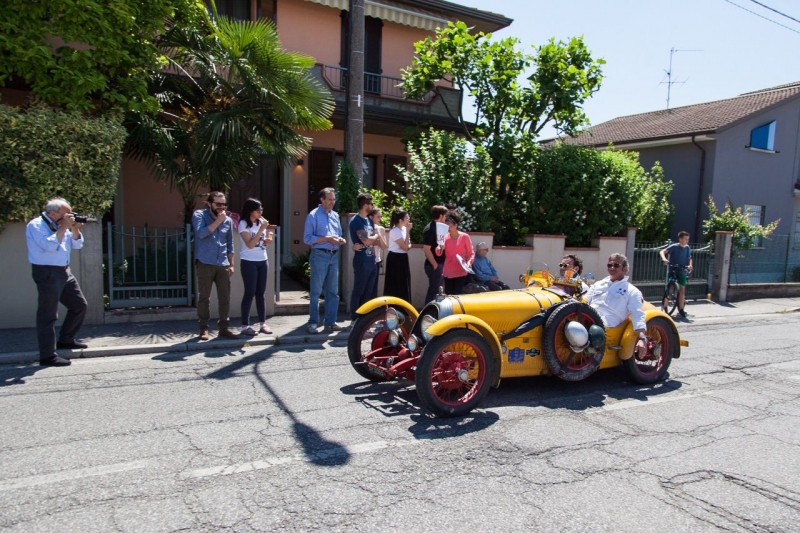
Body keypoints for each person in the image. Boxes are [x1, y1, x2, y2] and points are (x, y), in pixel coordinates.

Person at [26, 198, 89, 366]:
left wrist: (74, 230)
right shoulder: (36, 225)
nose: (69, 217)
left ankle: (66, 340)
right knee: (48, 314)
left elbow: (76, 245)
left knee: (79, 305)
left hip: (64, 271)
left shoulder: (62, 226)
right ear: (53, 213)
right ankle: (47, 356)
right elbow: (48, 246)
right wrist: (64, 227)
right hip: (47, 272)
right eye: (65, 214)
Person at [584, 253, 649, 359]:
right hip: (590, 316)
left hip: (606, 325)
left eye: (616, 265)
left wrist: (642, 337)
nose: (612, 268)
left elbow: (637, 314)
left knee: (594, 329)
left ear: (625, 268)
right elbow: (585, 300)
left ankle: (590, 360)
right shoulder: (598, 284)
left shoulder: (632, 291)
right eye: (609, 265)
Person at [193, 191, 238, 341]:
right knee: (204, 297)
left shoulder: (228, 221)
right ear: (209, 204)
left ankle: (224, 328)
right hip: (205, 262)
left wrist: (231, 264)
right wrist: (218, 221)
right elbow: (200, 234)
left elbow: (230, 244)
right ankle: (203, 329)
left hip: (222, 263)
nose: (221, 207)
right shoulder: (199, 215)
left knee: (225, 298)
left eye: (223, 204)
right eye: (218, 204)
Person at [303, 187, 348, 333]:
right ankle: (313, 322)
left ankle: (330, 322)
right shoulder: (313, 215)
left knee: (333, 292)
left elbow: (339, 233)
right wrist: (326, 239)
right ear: (321, 200)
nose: (332, 202)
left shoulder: (335, 216)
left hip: (333, 255)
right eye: (329, 199)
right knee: (316, 292)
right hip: (319, 255)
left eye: (334, 199)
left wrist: (340, 240)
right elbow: (307, 238)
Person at [237, 198, 273, 336]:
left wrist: (266, 241)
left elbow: (259, 243)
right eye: (258, 210)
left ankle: (263, 324)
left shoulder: (260, 223)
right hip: (248, 261)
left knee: (261, 293)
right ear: (250, 211)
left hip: (262, 260)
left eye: (261, 210)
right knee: (249, 292)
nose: (260, 212)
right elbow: (250, 244)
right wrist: (262, 230)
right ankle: (245, 326)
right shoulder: (243, 224)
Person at [348, 192, 380, 318]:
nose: (373, 206)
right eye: (371, 203)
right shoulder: (356, 221)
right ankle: (355, 317)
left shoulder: (368, 220)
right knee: (359, 290)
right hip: (362, 260)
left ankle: (364, 319)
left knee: (368, 292)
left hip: (371, 260)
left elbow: (373, 241)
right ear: (365, 205)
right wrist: (376, 235)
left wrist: (372, 238)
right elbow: (366, 241)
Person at [436, 211, 474, 295]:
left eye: (450, 224)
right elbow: (438, 252)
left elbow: (471, 253)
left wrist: (469, 262)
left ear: (456, 225)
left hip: (460, 270)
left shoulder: (465, 237)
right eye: (447, 224)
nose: (448, 227)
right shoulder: (444, 237)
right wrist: (439, 248)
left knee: (457, 294)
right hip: (448, 271)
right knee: (449, 294)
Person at [659, 231, 693, 319]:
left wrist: (690, 265)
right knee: (670, 289)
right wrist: (664, 259)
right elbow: (662, 251)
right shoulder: (674, 247)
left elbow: (689, 258)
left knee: (682, 290)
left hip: (682, 270)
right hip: (673, 269)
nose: (687, 241)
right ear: (680, 239)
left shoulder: (687, 248)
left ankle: (681, 310)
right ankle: (664, 308)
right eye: (685, 239)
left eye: (688, 239)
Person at [421, 205, 448, 303]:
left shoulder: (440, 228)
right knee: (433, 291)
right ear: (440, 216)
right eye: (445, 216)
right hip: (434, 265)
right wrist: (435, 265)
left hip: (440, 264)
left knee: (438, 290)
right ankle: (427, 313)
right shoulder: (430, 228)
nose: (446, 218)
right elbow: (427, 249)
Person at [384, 210, 413, 301]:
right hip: (395, 258)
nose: (408, 220)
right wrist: (407, 245)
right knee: (395, 282)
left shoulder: (404, 230)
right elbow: (405, 246)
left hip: (403, 257)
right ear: (400, 220)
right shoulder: (394, 231)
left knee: (404, 281)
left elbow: (408, 244)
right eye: (407, 218)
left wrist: (408, 233)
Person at [368, 208, 387, 297]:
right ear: (371, 217)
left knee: (374, 286)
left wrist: (378, 235)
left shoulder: (381, 229)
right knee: (366, 285)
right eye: (378, 217)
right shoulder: (366, 227)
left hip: (376, 260)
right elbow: (368, 242)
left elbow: (383, 246)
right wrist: (376, 240)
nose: (380, 219)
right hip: (367, 259)